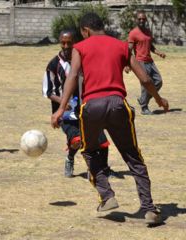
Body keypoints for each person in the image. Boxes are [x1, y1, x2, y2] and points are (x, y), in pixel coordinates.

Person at [51, 13, 169, 224]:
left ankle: (107, 196)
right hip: (117, 105)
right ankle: (149, 209)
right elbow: (145, 78)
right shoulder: (122, 46)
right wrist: (159, 99)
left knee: (88, 150)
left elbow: (72, 75)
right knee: (132, 155)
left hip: (91, 107)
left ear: (85, 31)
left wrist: (60, 109)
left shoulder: (82, 47)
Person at [43, 30, 116, 178]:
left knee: (101, 141)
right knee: (77, 140)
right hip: (65, 112)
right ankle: (70, 158)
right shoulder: (53, 65)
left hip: (86, 108)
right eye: (63, 43)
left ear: (74, 43)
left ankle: (102, 168)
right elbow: (48, 92)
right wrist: (63, 102)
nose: (66, 46)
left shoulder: (83, 60)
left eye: (69, 43)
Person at [126, 10, 166, 115]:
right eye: (139, 19)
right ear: (136, 20)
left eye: (143, 19)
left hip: (150, 61)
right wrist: (127, 64)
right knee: (145, 84)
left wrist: (158, 53)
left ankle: (143, 100)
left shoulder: (148, 31)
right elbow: (129, 49)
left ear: (146, 20)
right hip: (140, 62)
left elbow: (151, 46)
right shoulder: (133, 33)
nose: (141, 21)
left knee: (158, 81)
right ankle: (144, 108)